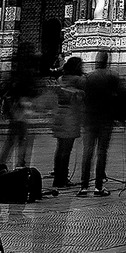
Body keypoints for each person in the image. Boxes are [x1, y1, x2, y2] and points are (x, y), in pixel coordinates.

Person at [77, 51, 126, 195]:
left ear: (96, 62)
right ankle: (98, 186)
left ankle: (83, 187)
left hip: (89, 119)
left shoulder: (87, 78)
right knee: (101, 152)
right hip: (105, 119)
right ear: (107, 62)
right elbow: (122, 94)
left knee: (87, 152)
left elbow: (81, 96)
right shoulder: (112, 76)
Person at [0, 48, 40, 173]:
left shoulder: (15, 74)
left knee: (13, 140)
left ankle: (2, 166)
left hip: (18, 110)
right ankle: (19, 166)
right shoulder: (24, 75)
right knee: (21, 139)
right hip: (20, 110)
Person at [50, 58, 85, 192]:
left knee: (60, 149)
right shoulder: (78, 80)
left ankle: (58, 177)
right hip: (71, 117)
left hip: (59, 115)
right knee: (66, 150)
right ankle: (62, 178)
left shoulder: (60, 79)